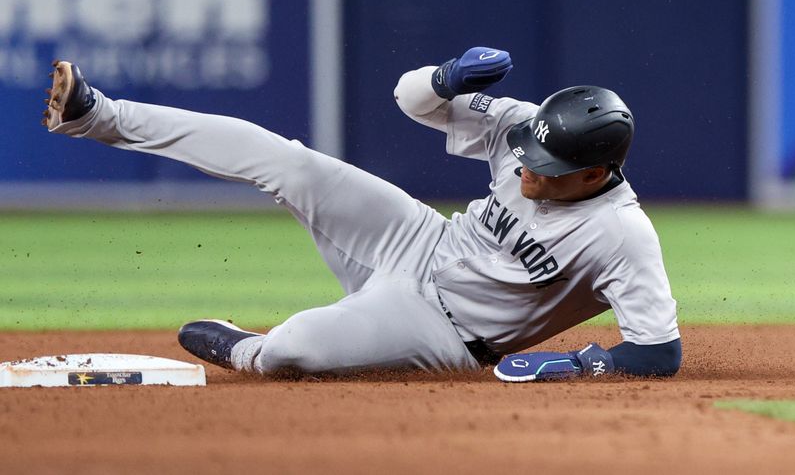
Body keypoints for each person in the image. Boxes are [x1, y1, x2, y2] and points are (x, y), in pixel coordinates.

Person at [42, 47, 681, 381]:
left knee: (293, 348)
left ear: (595, 173)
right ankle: (97, 115)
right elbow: (410, 99)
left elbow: (658, 353)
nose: (526, 167)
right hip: (421, 239)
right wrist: (446, 78)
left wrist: (573, 363)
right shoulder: (524, 130)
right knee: (288, 163)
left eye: (546, 166)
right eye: (529, 151)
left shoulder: (620, 235)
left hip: (441, 330)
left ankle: (249, 353)